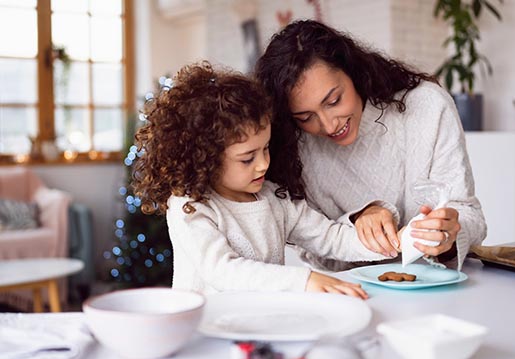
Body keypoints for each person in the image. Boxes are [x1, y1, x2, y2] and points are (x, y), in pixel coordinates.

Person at [132, 61, 394, 299]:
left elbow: (331, 238)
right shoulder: (190, 207)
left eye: (265, 148)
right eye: (247, 158)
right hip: (205, 330)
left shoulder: (274, 197)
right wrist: (305, 280)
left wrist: (399, 241)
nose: (263, 164)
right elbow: (223, 271)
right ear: (206, 159)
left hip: (261, 321)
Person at [255, 20, 486, 271]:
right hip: (355, 292)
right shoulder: (295, 146)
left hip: (440, 283)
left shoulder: (428, 106)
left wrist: (448, 237)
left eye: (334, 100)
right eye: (306, 117)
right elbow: (310, 246)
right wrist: (357, 222)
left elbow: (471, 216)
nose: (329, 125)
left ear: (352, 71)